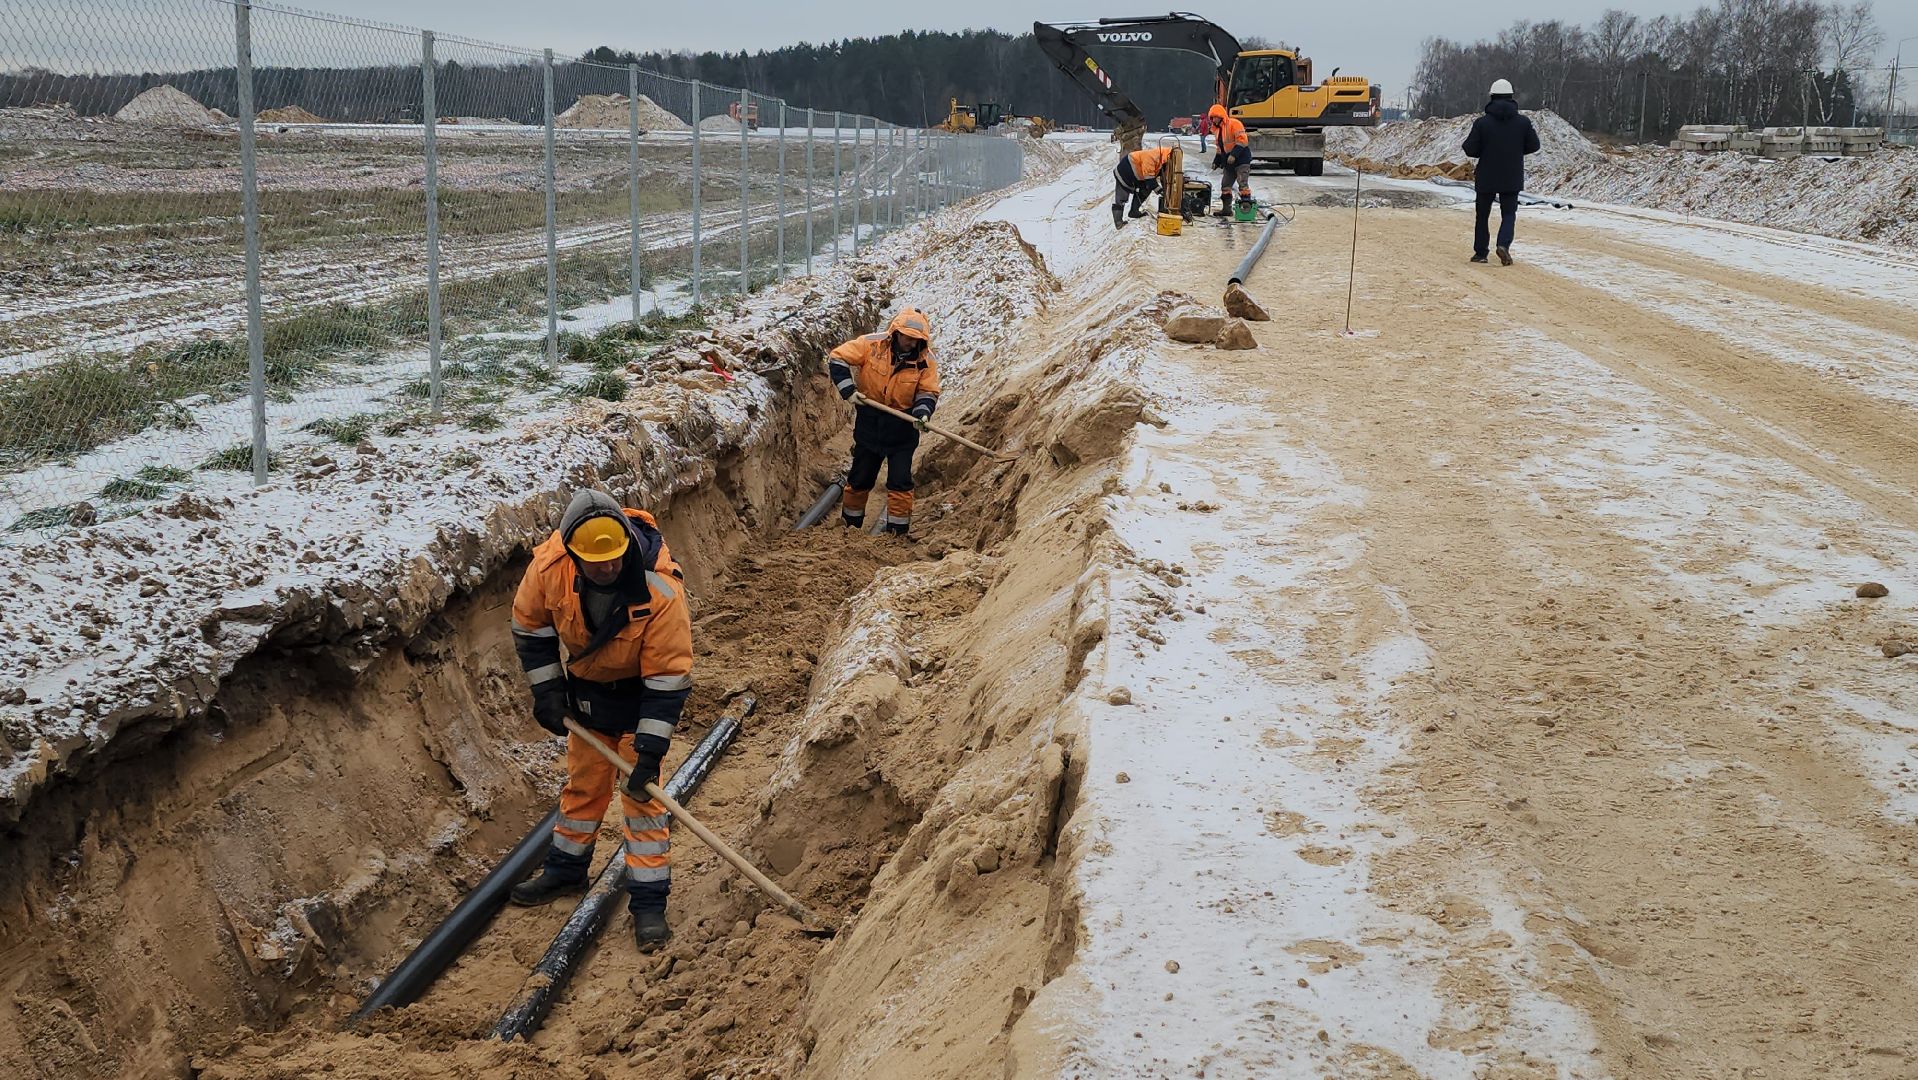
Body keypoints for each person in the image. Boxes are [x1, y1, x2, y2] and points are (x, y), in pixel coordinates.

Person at [507, 489, 693, 953]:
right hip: (588, 695)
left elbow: (668, 677)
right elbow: (530, 628)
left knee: (642, 802)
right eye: (596, 563)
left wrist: (650, 750)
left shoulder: (660, 587)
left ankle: (649, 901)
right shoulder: (549, 570)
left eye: (615, 560)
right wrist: (549, 691)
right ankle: (566, 870)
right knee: (584, 787)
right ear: (573, 554)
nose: (608, 569)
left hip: (639, 696)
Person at [828, 308, 941, 537]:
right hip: (870, 420)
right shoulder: (872, 345)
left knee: (900, 481)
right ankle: (850, 529)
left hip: (902, 427)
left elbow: (927, 392)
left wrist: (922, 413)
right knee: (860, 477)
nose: (910, 342)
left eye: (915, 339)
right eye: (906, 336)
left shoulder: (926, 361)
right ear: (896, 332)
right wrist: (848, 390)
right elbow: (837, 357)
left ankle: (896, 534)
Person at [1461, 78, 1540, 265]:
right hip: (1512, 175)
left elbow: (1469, 148)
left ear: (1492, 97)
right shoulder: (1523, 123)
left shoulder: (1482, 123)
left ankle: (1481, 253)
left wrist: (1485, 150)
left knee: (1483, 215)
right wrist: (1516, 150)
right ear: (1512, 98)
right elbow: (1534, 145)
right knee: (1509, 213)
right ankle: (1503, 244)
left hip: (1487, 175)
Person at [1112, 145, 1177, 228]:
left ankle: (1134, 212)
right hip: (1123, 172)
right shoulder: (1151, 158)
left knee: (1145, 189)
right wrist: (1160, 191)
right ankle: (1118, 222)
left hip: (1137, 174)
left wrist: (1166, 188)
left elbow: (1162, 176)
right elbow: (1150, 180)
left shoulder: (1162, 160)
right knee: (1121, 198)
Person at [1206, 104, 1252, 218]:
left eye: (1215, 117)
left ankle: (1245, 211)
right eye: (1212, 118)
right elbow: (1220, 147)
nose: (1213, 120)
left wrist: (1234, 154)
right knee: (1225, 185)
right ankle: (1227, 209)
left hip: (1241, 159)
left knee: (1243, 184)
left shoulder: (1234, 124)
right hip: (1229, 162)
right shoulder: (1217, 130)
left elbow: (1242, 141)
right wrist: (1216, 161)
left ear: (1221, 116)